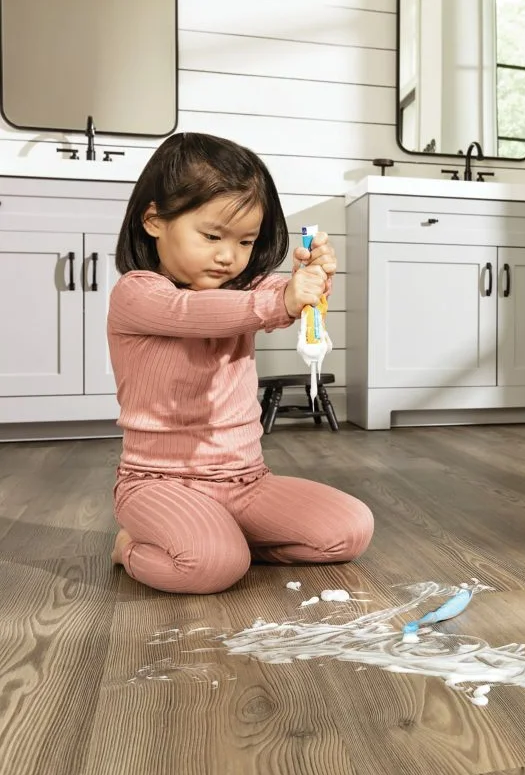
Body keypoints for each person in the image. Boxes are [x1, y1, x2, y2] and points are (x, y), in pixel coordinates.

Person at [107, 132, 374, 594]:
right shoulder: (137, 294)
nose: (229, 256)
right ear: (154, 220)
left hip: (246, 481)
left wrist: (311, 281)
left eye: (246, 241)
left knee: (351, 529)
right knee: (211, 568)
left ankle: (229, 541)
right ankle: (130, 547)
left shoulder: (243, 292)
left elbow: (272, 296)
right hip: (158, 483)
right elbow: (192, 314)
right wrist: (283, 301)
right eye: (211, 236)